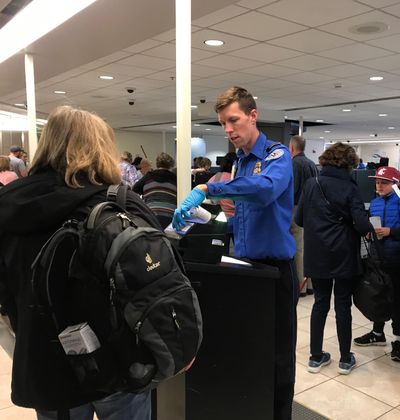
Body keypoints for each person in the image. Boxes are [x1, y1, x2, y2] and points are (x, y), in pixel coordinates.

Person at [0, 106, 160, 420]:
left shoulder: (9, 203)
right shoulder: (119, 203)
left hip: (44, 358)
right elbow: (157, 280)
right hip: (119, 358)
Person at [173, 86, 298, 420]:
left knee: (279, 355)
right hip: (244, 268)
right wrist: (199, 226)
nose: (228, 130)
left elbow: (264, 192)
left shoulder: (276, 156)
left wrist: (207, 188)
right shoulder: (240, 163)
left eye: (234, 121)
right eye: (223, 124)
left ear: (252, 116)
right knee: (250, 350)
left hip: (275, 270)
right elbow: (241, 219)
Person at [295, 142, 370, 376]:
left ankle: (315, 357)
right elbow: (362, 225)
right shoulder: (350, 187)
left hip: (317, 253)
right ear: (349, 164)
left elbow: (300, 220)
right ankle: (345, 359)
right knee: (343, 305)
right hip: (344, 253)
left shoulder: (311, 183)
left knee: (320, 303)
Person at [353, 166, 400, 362]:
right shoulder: (374, 203)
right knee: (378, 296)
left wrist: (391, 232)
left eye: (384, 182)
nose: (379, 185)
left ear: (395, 184)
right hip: (377, 259)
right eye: (377, 182)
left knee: (397, 301)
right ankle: (377, 333)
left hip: (397, 259)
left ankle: (397, 340)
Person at [288, 135, 318, 297]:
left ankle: (300, 286)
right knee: (307, 248)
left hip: (297, 209)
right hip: (312, 210)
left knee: (298, 249)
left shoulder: (294, 164)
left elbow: (291, 190)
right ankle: (310, 284)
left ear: (292, 148)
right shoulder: (312, 164)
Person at [133, 152, 177, 229]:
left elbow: (135, 189)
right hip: (170, 217)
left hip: (151, 216)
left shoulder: (148, 176)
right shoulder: (175, 178)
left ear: (157, 163)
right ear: (171, 165)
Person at [207, 152, 236, 219]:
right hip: (239, 218)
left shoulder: (216, 177)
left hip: (220, 217)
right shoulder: (240, 179)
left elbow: (210, 197)